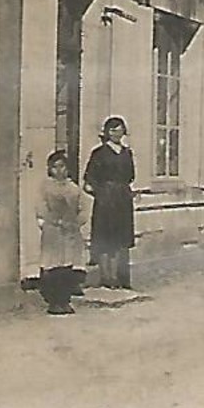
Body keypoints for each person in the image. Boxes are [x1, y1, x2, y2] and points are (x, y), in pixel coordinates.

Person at [83, 116, 136, 290]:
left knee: (120, 238)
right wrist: (101, 191)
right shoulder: (99, 153)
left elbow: (130, 176)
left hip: (122, 198)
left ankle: (117, 275)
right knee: (105, 237)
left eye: (119, 129)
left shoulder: (127, 153)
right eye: (112, 130)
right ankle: (106, 276)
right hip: (106, 198)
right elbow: (89, 178)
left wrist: (125, 191)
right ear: (106, 132)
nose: (116, 133)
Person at [37, 152, 87, 315]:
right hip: (53, 230)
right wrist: (51, 222)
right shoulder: (46, 187)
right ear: (50, 169)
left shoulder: (73, 188)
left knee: (67, 265)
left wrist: (76, 223)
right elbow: (41, 208)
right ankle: (54, 301)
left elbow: (83, 209)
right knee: (53, 265)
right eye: (55, 167)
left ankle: (65, 300)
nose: (59, 171)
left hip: (69, 232)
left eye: (62, 166)